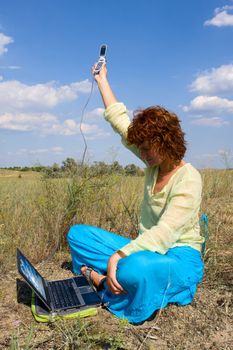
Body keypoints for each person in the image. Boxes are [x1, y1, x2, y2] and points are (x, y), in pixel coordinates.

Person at [67, 64, 204, 324]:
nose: (141, 153)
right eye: (138, 147)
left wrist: (118, 256)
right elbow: (120, 121)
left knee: (134, 268)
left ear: (165, 142)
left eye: (146, 148)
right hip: (149, 249)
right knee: (78, 234)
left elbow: (165, 234)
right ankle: (113, 278)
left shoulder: (189, 178)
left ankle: (102, 282)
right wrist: (101, 80)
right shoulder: (154, 165)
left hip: (179, 256)